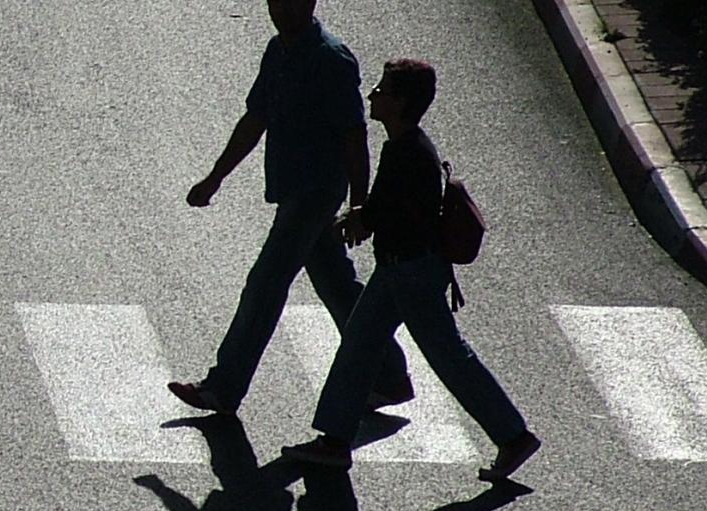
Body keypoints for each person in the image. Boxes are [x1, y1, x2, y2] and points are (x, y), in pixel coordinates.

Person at [280, 59, 541, 481]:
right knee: (359, 346)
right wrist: (361, 218)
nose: (372, 95)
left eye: (382, 90)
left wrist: (361, 220)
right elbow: (391, 207)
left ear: (400, 102)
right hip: (398, 270)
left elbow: (397, 212)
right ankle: (334, 441)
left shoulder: (407, 153)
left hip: (411, 272)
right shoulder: (407, 146)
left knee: (448, 357)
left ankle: (513, 435)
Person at [169, 0, 413, 414]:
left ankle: (224, 387)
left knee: (265, 285)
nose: (281, 9)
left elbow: (354, 135)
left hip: (315, 195)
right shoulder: (277, 50)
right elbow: (255, 119)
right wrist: (215, 177)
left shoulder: (331, 60)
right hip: (291, 190)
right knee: (337, 286)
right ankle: (389, 374)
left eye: (291, 1)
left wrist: (360, 204)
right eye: (275, 0)